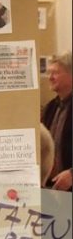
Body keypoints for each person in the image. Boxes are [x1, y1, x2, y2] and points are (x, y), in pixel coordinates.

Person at [41, 52, 72, 191]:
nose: (50, 77)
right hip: (53, 188)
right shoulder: (50, 107)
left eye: (55, 73)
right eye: (49, 73)